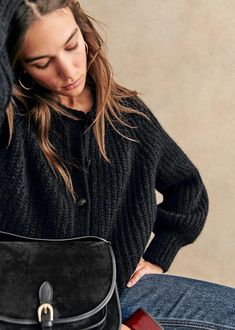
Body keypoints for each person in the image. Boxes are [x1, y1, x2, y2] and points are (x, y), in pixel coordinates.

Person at [0, 1, 234, 329]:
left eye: (71, 46)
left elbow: (188, 189)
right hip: (27, 302)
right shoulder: (11, 122)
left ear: (84, 33)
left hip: (116, 291)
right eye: (42, 62)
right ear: (18, 66)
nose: (68, 71)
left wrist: (157, 257)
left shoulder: (126, 115)